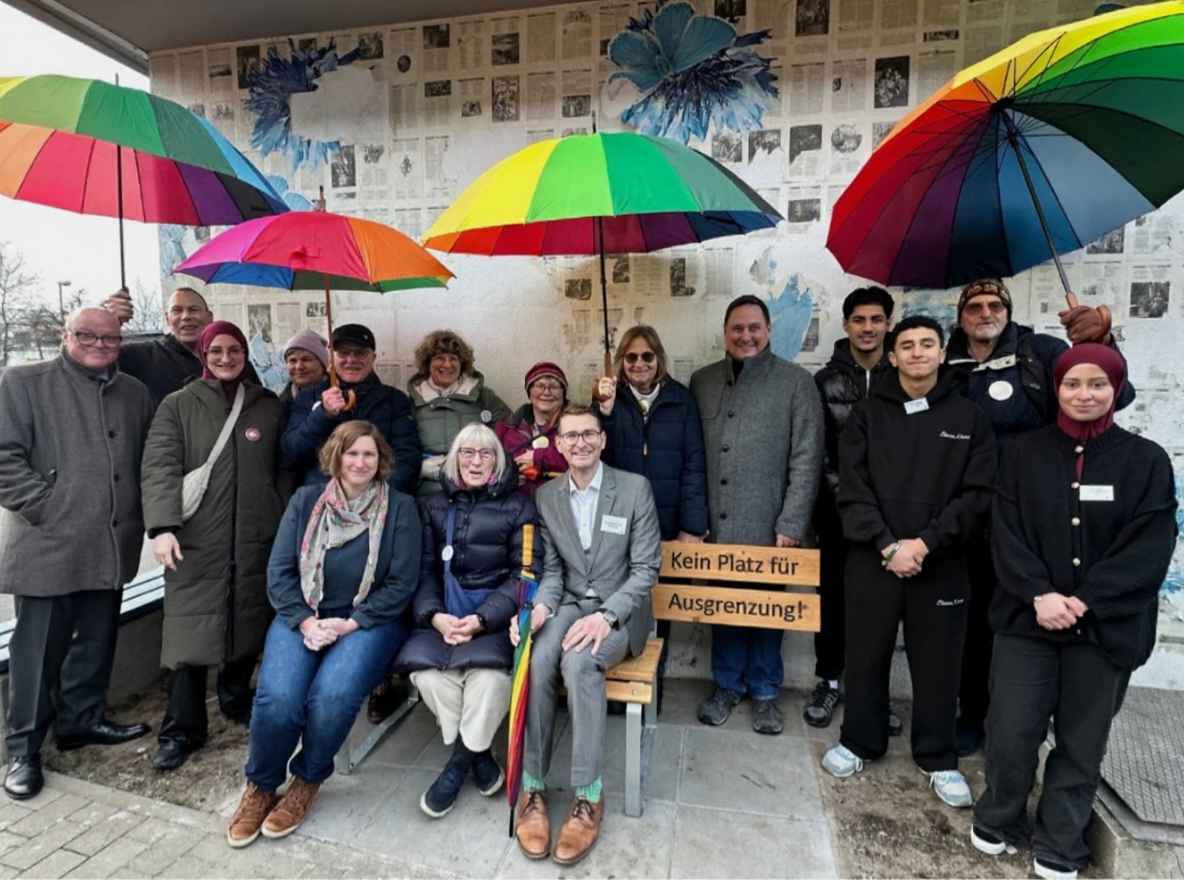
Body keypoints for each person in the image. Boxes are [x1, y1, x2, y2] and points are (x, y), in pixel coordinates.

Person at [970, 344, 1177, 880]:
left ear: (1117, 389)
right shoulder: (1024, 453)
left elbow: (1149, 545)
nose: (1084, 394)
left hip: (1104, 628)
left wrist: (1087, 601)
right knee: (1011, 730)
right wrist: (1039, 593)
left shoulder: (1146, 460)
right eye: (1072, 384)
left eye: (1097, 384)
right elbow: (1007, 531)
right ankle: (999, 816)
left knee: (1082, 741)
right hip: (1027, 620)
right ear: (1056, 389)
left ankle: (1061, 839)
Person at [945, 278, 1134, 756]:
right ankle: (974, 714)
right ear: (960, 316)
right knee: (973, 625)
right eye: (974, 306)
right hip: (968, 518)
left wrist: (1100, 343)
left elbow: (1115, 393)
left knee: (1032, 619)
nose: (985, 313)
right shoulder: (947, 363)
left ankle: (1032, 719)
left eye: (995, 305)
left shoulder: (1040, 353)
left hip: (1036, 518)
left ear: (1008, 311)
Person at [821, 315, 996, 810]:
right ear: (893, 356)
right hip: (873, 558)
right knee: (866, 656)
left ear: (942, 353)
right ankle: (860, 741)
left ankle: (939, 757)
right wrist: (887, 544)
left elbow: (977, 496)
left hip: (941, 563)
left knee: (939, 665)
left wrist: (923, 544)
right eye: (908, 345)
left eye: (927, 344)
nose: (917, 352)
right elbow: (851, 487)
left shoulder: (970, 418)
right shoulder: (866, 416)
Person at [225, 421, 420, 847]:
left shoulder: (401, 508)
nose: (360, 462)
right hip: (304, 615)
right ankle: (261, 785)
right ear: (336, 456)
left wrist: (349, 624)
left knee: (332, 696)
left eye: (369, 454)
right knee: (277, 700)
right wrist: (307, 622)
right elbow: (280, 572)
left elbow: (401, 584)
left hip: (369, 619)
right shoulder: (305, 501)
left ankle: (307, 780)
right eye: (352, 453)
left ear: (381, 460)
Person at [0, 308, 154, 800]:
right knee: (37, 652)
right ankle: (23, 749)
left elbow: (146, 460)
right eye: (87, 335)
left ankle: (80, 721)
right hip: (47, 546)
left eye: (110, 338)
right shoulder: (23, 382)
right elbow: (4, 459)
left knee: (95, 640)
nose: (99, 345)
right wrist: (49, 508)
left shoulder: (134, 392)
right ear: (65, 335)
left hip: (110, 542)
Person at [512, 404, 660, 866]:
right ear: (558, 444)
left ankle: (588, 795)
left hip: (622, 611)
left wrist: (608, 616)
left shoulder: (634, 489)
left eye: (588, 434)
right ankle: (533, 787)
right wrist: (541, 607)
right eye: (571, 436)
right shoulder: (548, 496)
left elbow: (646, 569)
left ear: (602, 440)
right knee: (538, 659)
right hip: (571, 603)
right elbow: (554, 571)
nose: (580, 443)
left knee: (580, 661)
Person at [140, 321, 288, 771]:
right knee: (188, 634)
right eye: (217, 350)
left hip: (254, 535)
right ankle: (181, 729)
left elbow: (283, 467)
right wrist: (162, 527)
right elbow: (160, 467)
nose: (226, 358)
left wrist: (278, 512)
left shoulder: (267, 406)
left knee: (247, 618)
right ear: (204, 354)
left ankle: (236, 699)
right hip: (196, 539)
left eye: (235, 350)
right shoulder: (178, 404)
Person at [689, 295, 824, 734]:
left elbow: (807, 457)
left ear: (768, 331)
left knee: (768, 610)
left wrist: (792, 522)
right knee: (724, 606)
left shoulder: (796, 382)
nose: (745, 336)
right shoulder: (703, 381)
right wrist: (695, 520)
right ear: (724, 332)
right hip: (716, 524)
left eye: (754, 328)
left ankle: (765, 692)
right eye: (737, 328)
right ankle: (727, 685)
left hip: (770, 525)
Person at [393, 424, 538, 818]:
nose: (476, 462)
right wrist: (435, 616)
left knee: (490, 682)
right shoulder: (432, 506)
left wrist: (480, 619)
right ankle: (480, 756)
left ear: (498, 461)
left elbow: (524, 575)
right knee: (428, 677)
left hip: (493, 619)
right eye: (467, 453)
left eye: (486, 454)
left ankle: (457, 765)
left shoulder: (519, 507)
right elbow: (422, 572)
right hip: (442, 618)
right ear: (455, 460)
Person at [594, 325, 708, 712]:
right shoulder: (610, 399)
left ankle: (650, 691)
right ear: (621, 362)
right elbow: (597, 455)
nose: (639, 363)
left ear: (659, 359)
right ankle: (618, 688)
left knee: (660, 611)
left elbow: (694, 464)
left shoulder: (681, 400)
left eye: (647, 356)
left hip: (667, 520)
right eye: (631, 357)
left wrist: (693, 526)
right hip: (618, 523)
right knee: (617, 601)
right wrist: (604, 411)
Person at [805, 287, 898, 731]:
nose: (867, 328)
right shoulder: (825, 381)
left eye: (876, 319)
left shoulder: (902, 378)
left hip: (893, 521)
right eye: (859, 319)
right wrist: (853, 505)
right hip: (838, 515)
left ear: (887, 324)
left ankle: (874, 692)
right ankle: (827, 681)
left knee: (882, 610)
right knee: (833, 604)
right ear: (845, 324)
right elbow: (818, 454)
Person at [283, 323, 421, 495]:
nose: (351, 360)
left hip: (378, 498)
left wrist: (379, 494)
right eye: (343, 353)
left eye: (360, 353)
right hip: (323, 497)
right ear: (332, 358)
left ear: (373, 358)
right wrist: (322, 415)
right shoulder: (308, 397)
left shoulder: (395, 400)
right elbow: (293, 452)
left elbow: (407, 457)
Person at [107, 286, 260, 410]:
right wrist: (111, 322)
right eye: (177, 310)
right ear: (167, 319)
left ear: (209, 318)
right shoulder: (142, 357)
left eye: (194, 309)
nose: (186, 316)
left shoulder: (234, 364)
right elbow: (99, 362)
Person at [407, 330, 510, 498]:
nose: (447, 365)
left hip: (477, 494)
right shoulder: (413, 402)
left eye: (453, 359)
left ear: (462, 363)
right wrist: (418, 469)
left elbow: (509, 436)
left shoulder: (483, 397)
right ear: (427, 363)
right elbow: (400, 450)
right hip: (428, 494)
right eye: (439, 358)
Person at [495, 362, 570, 498]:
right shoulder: (506, 428)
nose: (546, 392)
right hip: (515, 505)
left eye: (554, 387)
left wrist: (539, 458)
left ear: (563, 393)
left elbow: (582, 459)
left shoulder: (576, 426)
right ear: (529, 391)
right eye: (540, 386)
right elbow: (489, 461)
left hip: (558, 503)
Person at [278, 330, 329, 408]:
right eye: (293, 360)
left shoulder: (341, 398)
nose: (299, 366)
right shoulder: (281, 403)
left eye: (306, 359)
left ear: (322, 364)